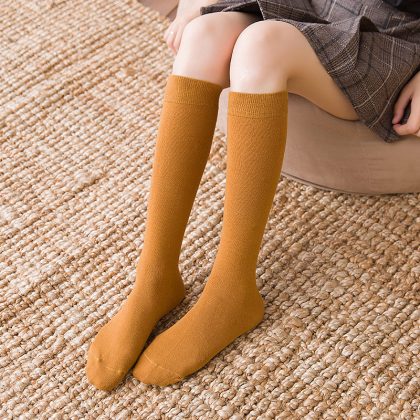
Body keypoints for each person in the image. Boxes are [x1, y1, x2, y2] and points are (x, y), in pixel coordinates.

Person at [86, 0, 420, 390]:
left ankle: (233, 289)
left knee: (262, 45)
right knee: (204, 35)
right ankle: (155, 277)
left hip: (389, 32)